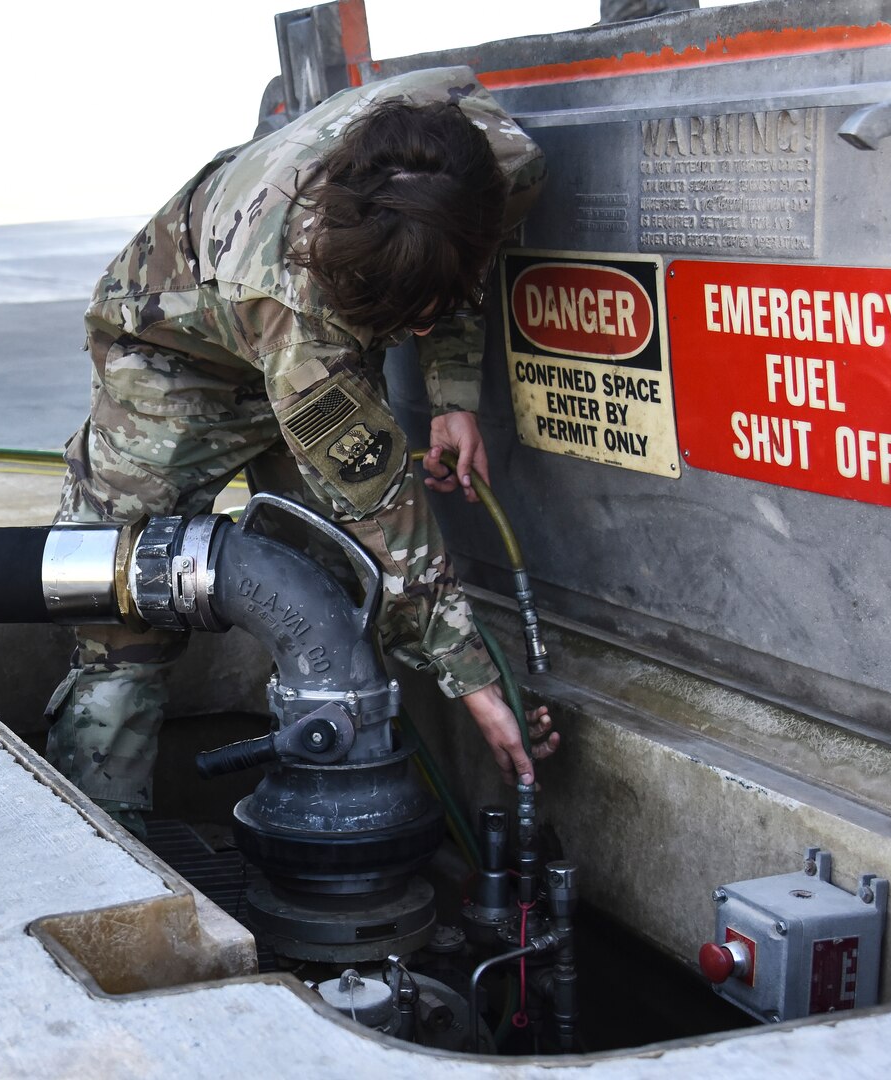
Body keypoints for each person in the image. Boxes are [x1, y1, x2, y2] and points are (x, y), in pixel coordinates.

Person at [45, 66, 560, 830]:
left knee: (334, 587)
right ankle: (100, 843)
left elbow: (461, 251)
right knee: (120, 604)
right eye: (405, 318)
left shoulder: (503, 164)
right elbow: (383, 507)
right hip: (174, 353)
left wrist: (453, 397)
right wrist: (476, 682)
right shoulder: (293, 297)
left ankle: (335, 809)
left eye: (428, 314)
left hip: (317, 333)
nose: (418, 332)